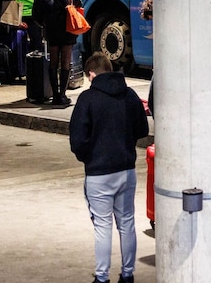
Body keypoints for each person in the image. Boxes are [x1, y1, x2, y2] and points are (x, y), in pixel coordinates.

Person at [69, 53, 149, 283]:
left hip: (99, 173)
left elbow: (78, 141)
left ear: (91, 74)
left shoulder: (87, 99)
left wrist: (89, 158)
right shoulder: (130, 95)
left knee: (103, 227)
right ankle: (127, 274)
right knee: (127, 223)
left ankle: (102, 277)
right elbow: (142, 129)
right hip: (126, 170)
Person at [33, 0, 83, 107]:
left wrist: (44, 24)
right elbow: (79, 5)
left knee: (53, 62)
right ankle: (63, 95)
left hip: (51, 31)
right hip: (68, 30)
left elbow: (36, 15)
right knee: (66, 62)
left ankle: (54, 95)